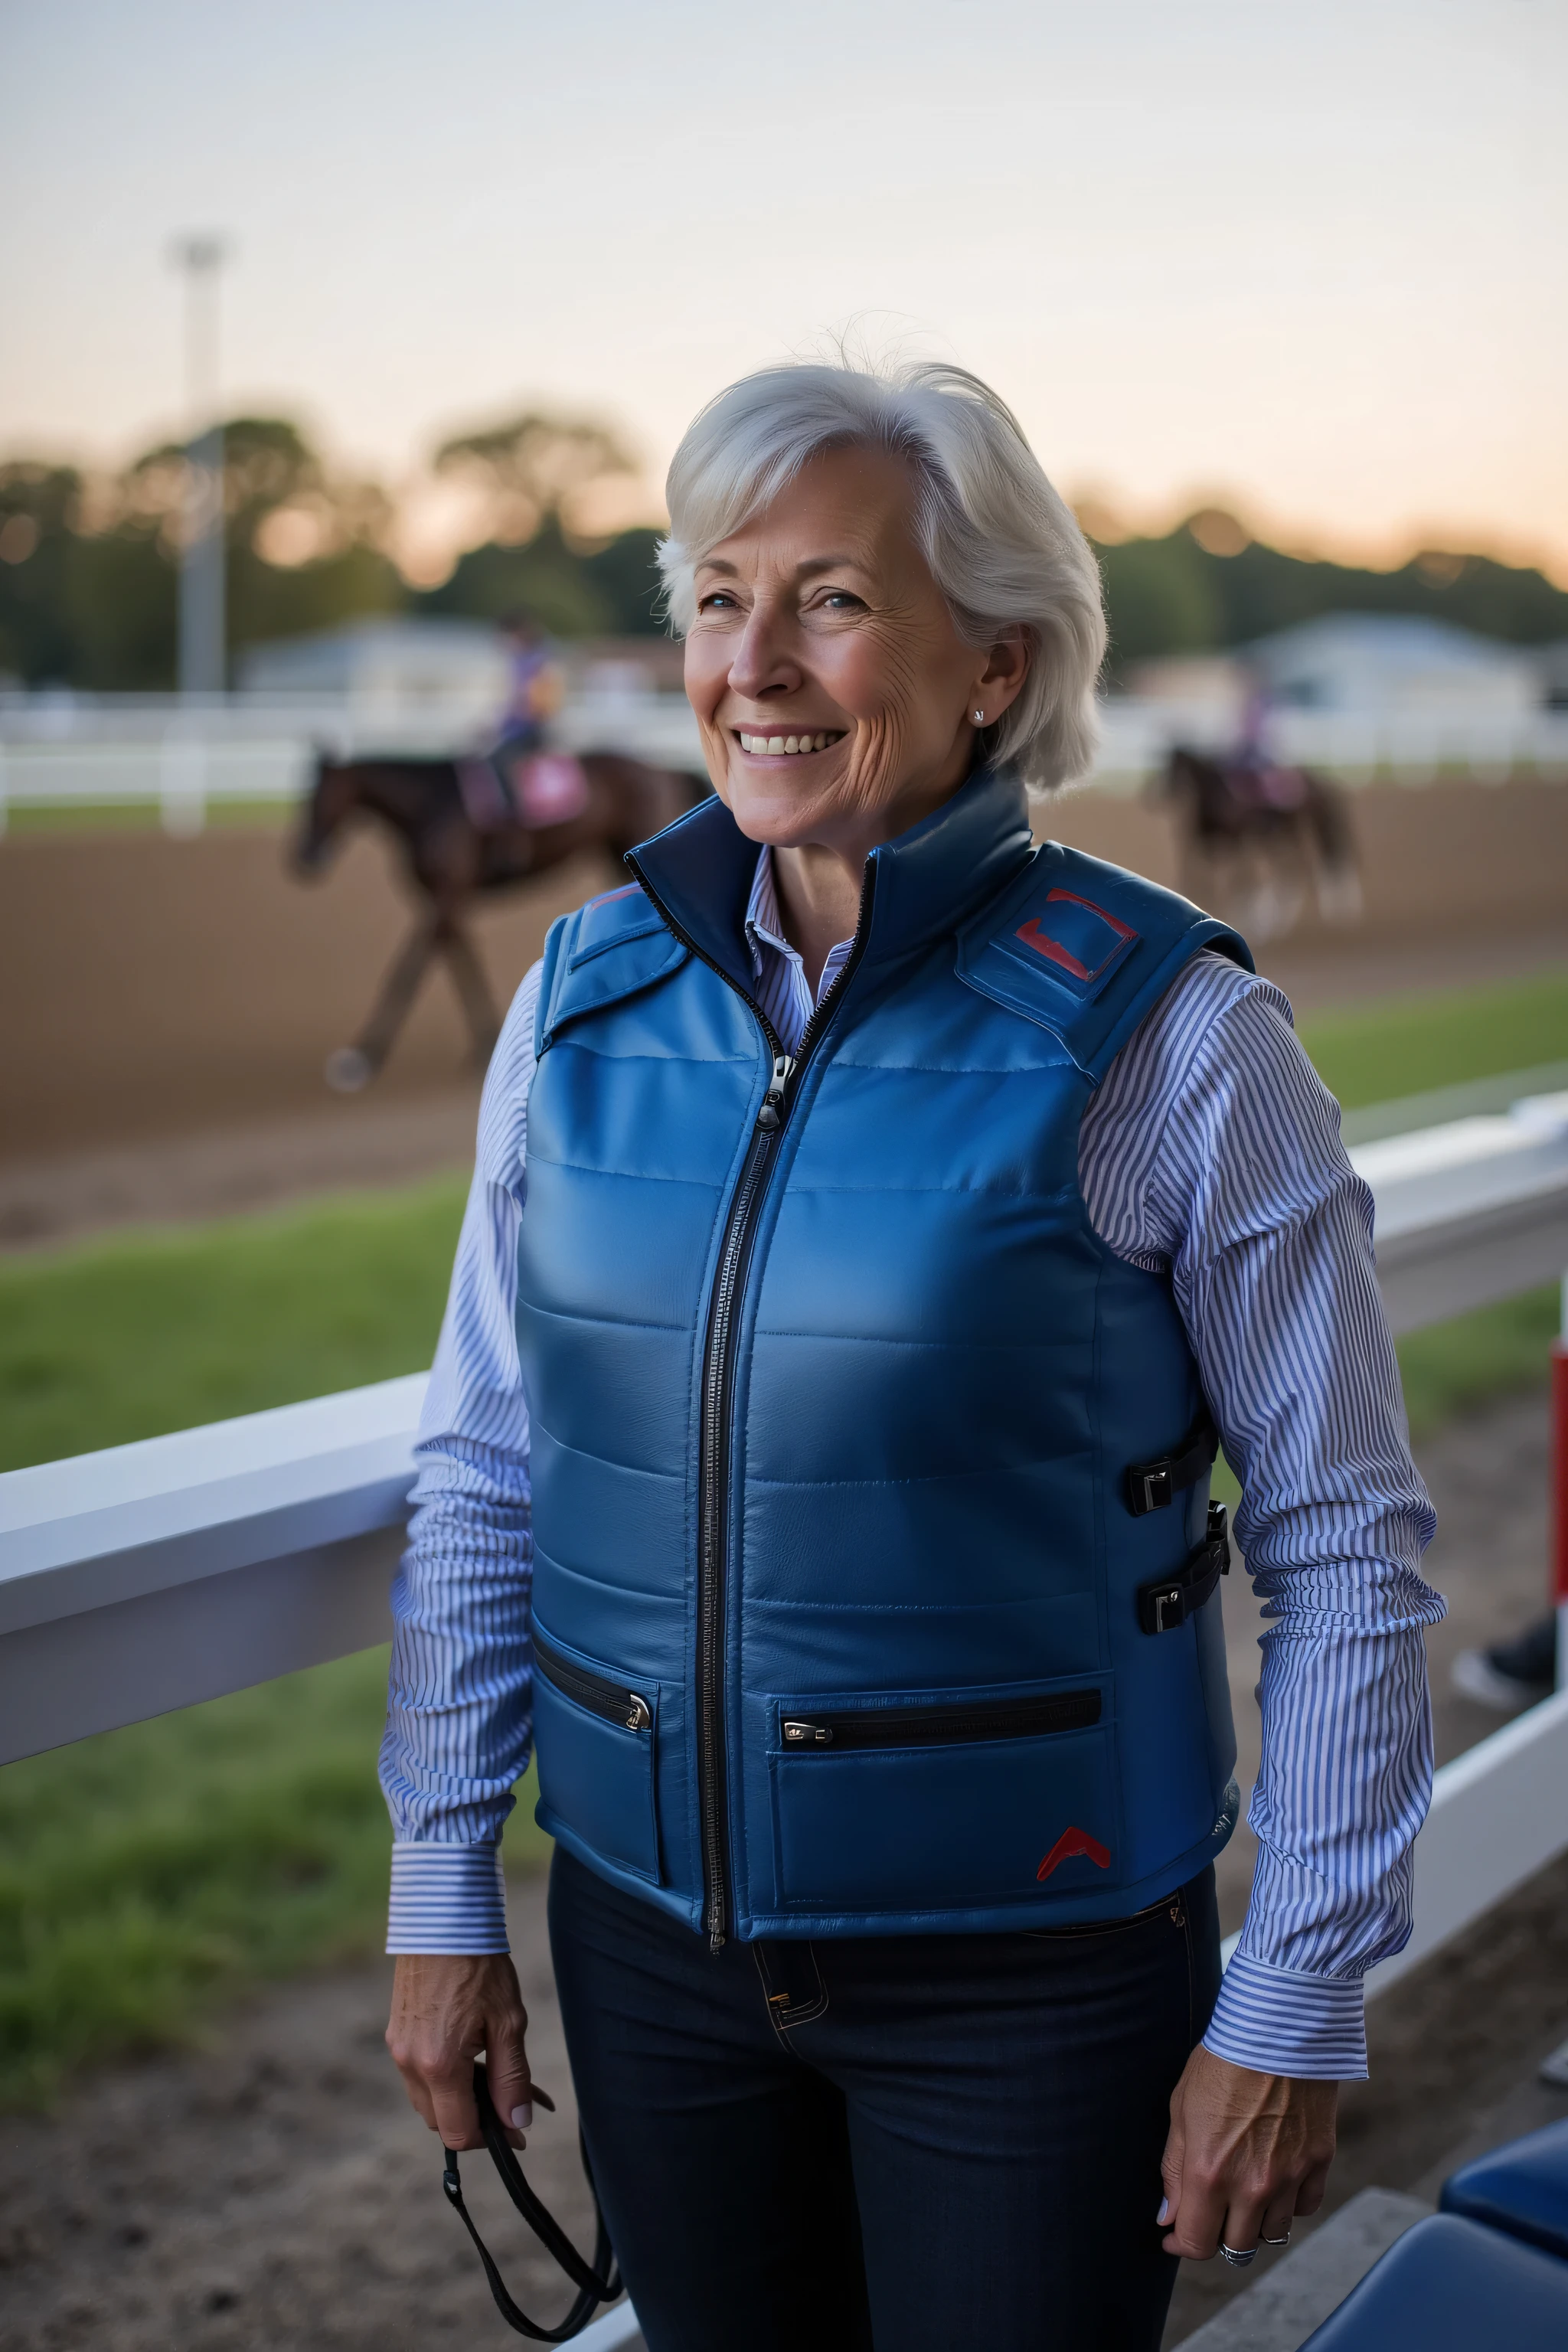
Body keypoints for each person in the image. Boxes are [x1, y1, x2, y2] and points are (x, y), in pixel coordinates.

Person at [381, 358, 1442, 2351]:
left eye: (837, 600)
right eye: (718, 597)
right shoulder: (574, 999)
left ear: (997, 663)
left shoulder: (1182, 1035)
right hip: (650, 1959)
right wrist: (442, 1885)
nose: (754, 663)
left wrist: (1296, 1993)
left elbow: (1347, 1542)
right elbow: (490, 1466)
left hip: (1035, 1982)